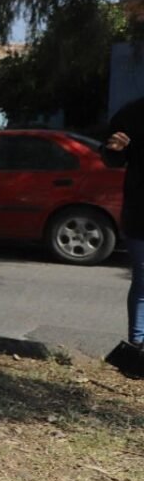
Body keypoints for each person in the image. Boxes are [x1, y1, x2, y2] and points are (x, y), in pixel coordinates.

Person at [102, 97, 144, 372]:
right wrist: (114, 150)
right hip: (141, 212)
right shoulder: (133, 112)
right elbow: (110, 155)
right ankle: (137, 349)